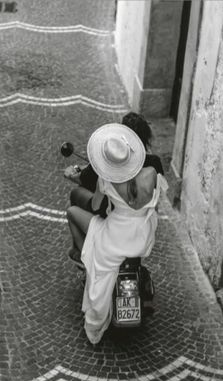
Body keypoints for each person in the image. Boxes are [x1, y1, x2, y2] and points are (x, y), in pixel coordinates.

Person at [66, 123, 168, 344]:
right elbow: (157, 200)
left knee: (73, 212)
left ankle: (81, 252)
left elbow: (94, 207)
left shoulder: (107, 180)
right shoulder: (151, 173)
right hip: (141, 237)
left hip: (114, 239)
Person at [64, 112, 164, 264]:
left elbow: (94, 204)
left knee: (75, 200)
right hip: (144, 230)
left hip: (114, 227)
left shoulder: (108, 172)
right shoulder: (153, 166)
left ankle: (84, 255)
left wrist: (72, 174)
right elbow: (159, 193)